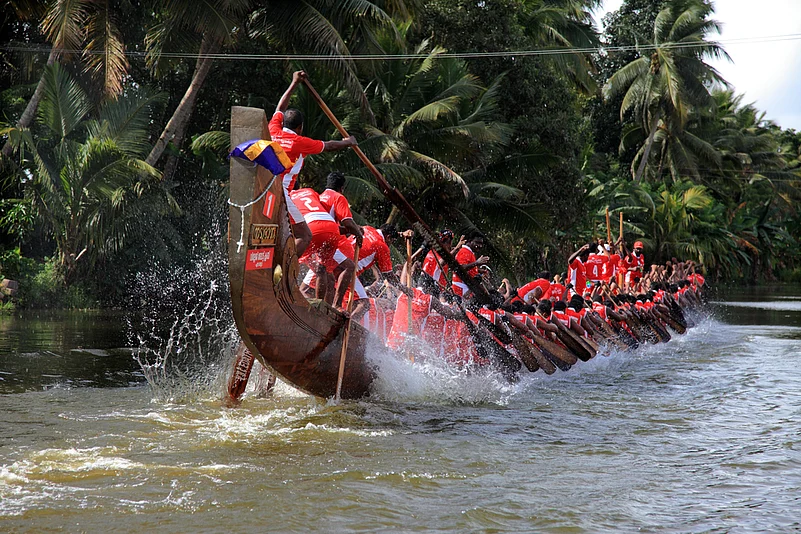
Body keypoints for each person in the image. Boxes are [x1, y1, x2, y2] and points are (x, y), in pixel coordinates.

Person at [270, 71, 358, 255]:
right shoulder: (300, 142)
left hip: (266, 189)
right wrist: (348, 142)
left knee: (286, 234)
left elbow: (280, 106)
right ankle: (284, 271)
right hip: (282, 193)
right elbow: (329, 146)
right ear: (300, 127)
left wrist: (294, 82)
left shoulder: (273, 130)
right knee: (305, 236)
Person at [289, 187, 357, 309]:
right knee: (323, 270)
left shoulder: (287, 196)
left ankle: (283, 286)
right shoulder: (310, 191)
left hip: (311, 230)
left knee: (289, 259)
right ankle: (320, 305)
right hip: (332, 229)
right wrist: (357, 232)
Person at [451, 230, 489, 298]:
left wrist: (480, 271)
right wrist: (477, 263)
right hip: (461, 288)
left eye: (481, 244)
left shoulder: (469, 252)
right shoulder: (465, 251)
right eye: (477, 243)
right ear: (469, 241)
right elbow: (460, 268)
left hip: (466, 287)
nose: (479, 246)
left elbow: (468, 268)